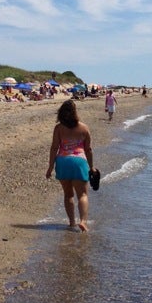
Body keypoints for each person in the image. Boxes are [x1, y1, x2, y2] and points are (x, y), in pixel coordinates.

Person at [46, 99, 94, 232]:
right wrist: (91, 167)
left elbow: (54, 147)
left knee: (68, 195)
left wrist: (50, 167)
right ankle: (83, 221)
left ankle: (72, 222)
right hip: (79, 162)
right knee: (82, 195)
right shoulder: (84, 128)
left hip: (63, 161)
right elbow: (88, 149)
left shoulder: (59, 128)